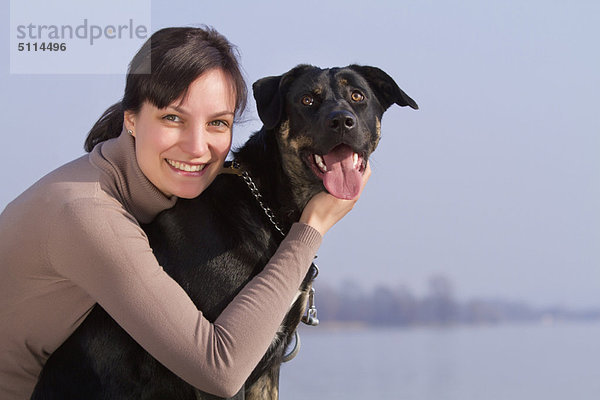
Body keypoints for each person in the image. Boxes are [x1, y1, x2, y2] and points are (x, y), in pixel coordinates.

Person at [0, 26, 370, 399]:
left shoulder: (138, 189)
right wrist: (311, 228)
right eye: (173, 119)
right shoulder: (87, 212)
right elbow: (219, 370)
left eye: (217, 123)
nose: (197, 147)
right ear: (131, 118)